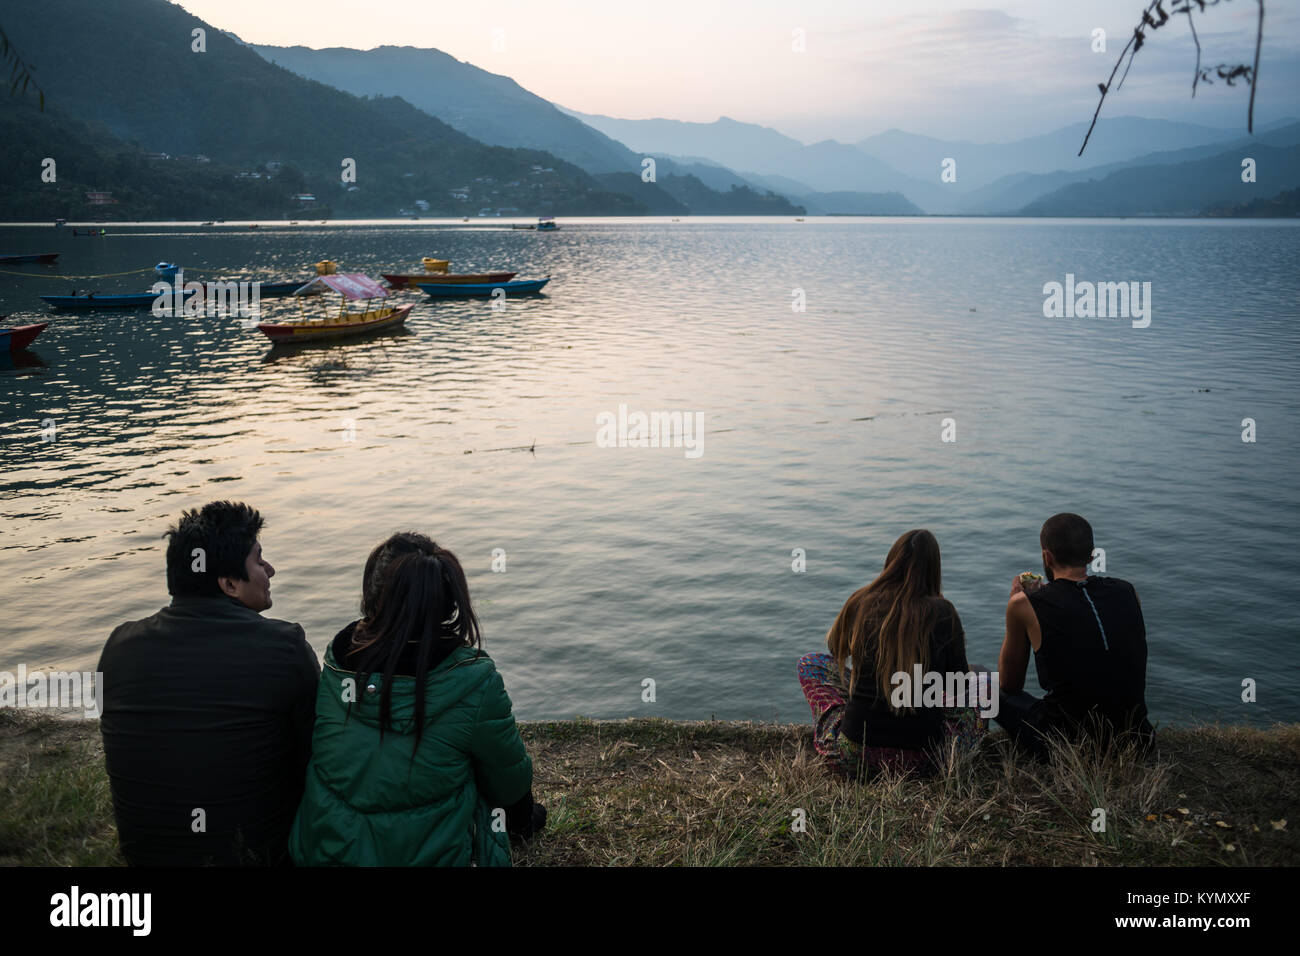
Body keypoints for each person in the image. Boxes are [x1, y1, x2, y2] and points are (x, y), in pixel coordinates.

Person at [289, 532, 543, 866]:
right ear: (450, 602)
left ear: (372, 594)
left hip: (326, 853)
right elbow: (507, 780)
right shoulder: (473, 680)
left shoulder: (337, 666)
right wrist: (524, 821)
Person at [98, 501, 319, 866]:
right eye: (259, 560)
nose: (270, 570)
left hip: (146, 856)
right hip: (257, 856)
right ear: (230, 584)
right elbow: (318, 758)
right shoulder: (283, 646)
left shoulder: (119, 646)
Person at [797, 529, 988, 778]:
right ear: (933, 569)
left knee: (809, 663)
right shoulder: (943, 612)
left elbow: (835, 650)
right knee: (984, 680)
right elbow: (958, 685)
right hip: (927, 761)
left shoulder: (861, 600)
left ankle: (845, 717)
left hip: (853, 756)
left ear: (891, 562)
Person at [996, 513, 1154, 760]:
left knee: (980, 682)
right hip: (1137, 740)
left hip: (1065, 745)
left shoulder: (1023, 604)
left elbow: (1009, 684)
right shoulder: (1127, 591)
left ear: (1046, 557)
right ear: (1092, 556)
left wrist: (1019, 602)